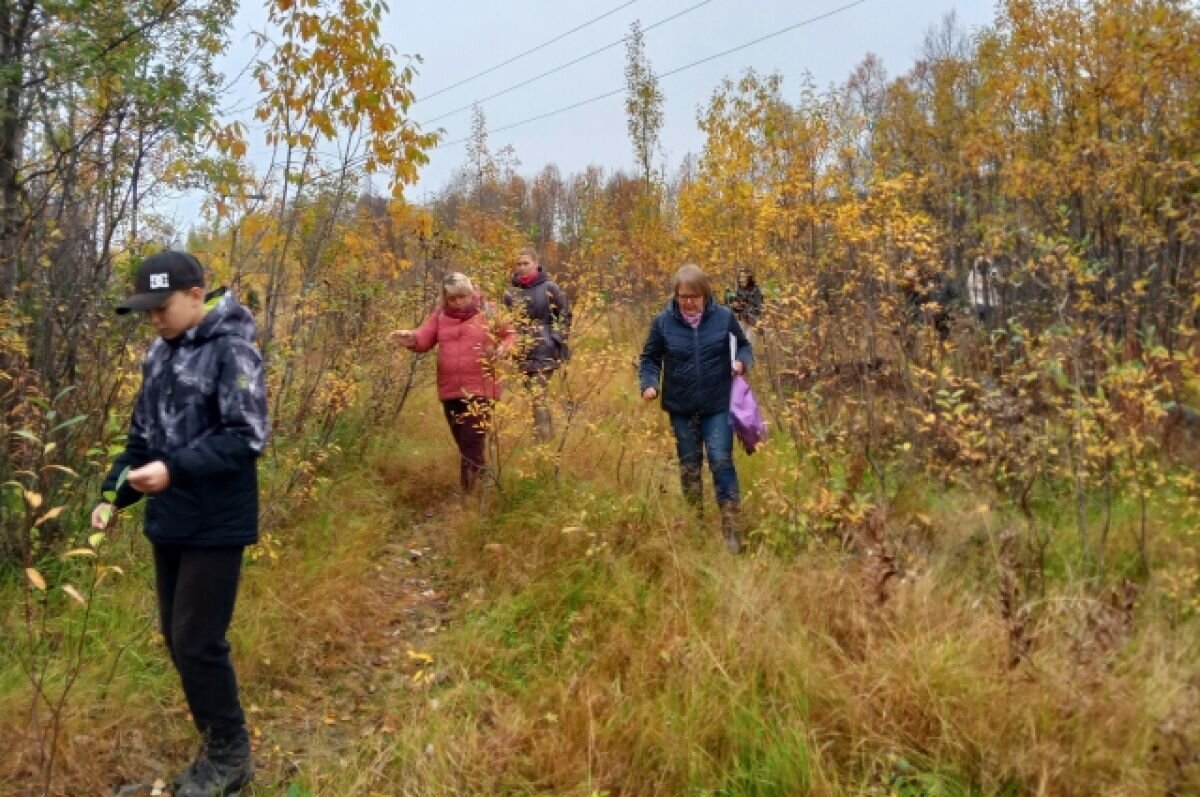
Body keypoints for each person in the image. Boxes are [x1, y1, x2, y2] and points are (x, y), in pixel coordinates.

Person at [91, 251, 267, 797]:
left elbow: (246, 437)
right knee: (177, 635)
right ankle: (218, 748)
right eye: (145, 311)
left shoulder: (233, 350)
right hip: (170, 520)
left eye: (160, 307)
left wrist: (175, 469)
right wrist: (111, 496)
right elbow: (142, 437)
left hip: (217, 520)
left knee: (197, 638)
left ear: (197, 294)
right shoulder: (157, 355)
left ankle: (230, 757)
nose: (153, 319)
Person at [639, 263, 753, 554]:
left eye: (694, 296)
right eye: (683, 297)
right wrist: (649, 384)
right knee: (689, 467)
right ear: (676, 296)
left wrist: (741, 363)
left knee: (720, 461)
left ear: (705, 294)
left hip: (717, 404)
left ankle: (731, 531)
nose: (688, 302)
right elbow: (650, 358)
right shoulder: (663, 322)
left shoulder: (724, 317)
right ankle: (697, 525)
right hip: (681, 407)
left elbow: (743, 346)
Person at [391, 273, 516, 492]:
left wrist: (503, 349)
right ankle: (483, 481)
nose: (458, 303)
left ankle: (469, 497)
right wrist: (411, 338)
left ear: (471, 293)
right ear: (445, 299)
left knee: (471, 441)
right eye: (452, 299)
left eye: (463, 297)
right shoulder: (440, 315)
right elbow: (425, 336)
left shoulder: (489, 310)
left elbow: (510, 334)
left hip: (481, 388)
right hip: (451, 390)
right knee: (464, 442)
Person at [503, 246, 571, 441]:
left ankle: (543, 442)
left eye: (526, 263)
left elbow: (565, 314)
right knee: (533, 398)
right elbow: (506, 322)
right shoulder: (510, 293)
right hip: (521, 350)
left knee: (537, 396)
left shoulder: (550, 287)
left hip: (545, 349)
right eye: (519, 264)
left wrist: (557, 338)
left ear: (536, 264)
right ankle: (544, 441)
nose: (522, 267)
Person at [727, 266, 764, 344]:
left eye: (743, 277)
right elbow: (736, 308)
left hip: (752, 321)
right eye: (740, 277)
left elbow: (759, 307)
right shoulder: (739, 290)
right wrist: (735, 306)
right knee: (737, 342)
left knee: (748, 343)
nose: (741, 279)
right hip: (742, 320)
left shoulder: (755, 290)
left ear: (749, 278)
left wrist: (757, 321)